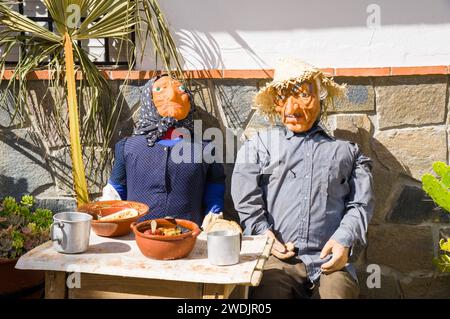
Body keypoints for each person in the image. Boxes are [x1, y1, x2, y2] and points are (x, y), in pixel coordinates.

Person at [231, 58, 374, 299]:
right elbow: (246, 199)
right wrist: (263, 234)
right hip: (276, 259)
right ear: (275, 105)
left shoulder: (348, 152)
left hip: (329, 261)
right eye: (283, 98)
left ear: (320, 98)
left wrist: (344, 240)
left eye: (303, 96)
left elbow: (361, 203)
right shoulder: (258, 146)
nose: (291, 109)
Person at [101, 74, 225, 227]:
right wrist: (109, 219)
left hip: (188, 237)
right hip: (137, 237)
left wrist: (213, 213)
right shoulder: (127, 147)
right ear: (149, 100)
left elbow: (215, 185)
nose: (172, 95)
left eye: (181, 90)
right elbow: (115, 190)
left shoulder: (206, 149)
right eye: (159, 90)